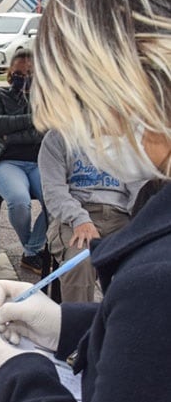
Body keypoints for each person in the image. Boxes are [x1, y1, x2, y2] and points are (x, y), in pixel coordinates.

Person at [0, 0, 171, 402]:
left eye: (82, 98)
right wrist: (68, 325)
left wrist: (19, 380)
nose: (82, 125)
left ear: (132, 75)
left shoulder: (154, 281)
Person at [39, 129, 147, 302]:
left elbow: (140, 188)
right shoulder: (57, 137)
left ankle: (126, 324)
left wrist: (142, 221)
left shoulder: (125, 133)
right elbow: (54, 191)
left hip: (121, 214)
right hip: (73, 216)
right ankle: (78, 325)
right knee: (79, 263)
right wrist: (80, 219)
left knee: (146, 260)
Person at [0, 49, 47, 274]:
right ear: (11, 71)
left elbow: (48, 130)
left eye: (30, 72)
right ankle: (33, 252)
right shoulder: (0, 94)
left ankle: (31, 250)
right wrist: (33, 119)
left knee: (56, 202)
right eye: (20, 72)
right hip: (6, 162)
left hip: (41, 162)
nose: (24, 77)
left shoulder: (48, 97)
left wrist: (11, 136)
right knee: (19, 200)